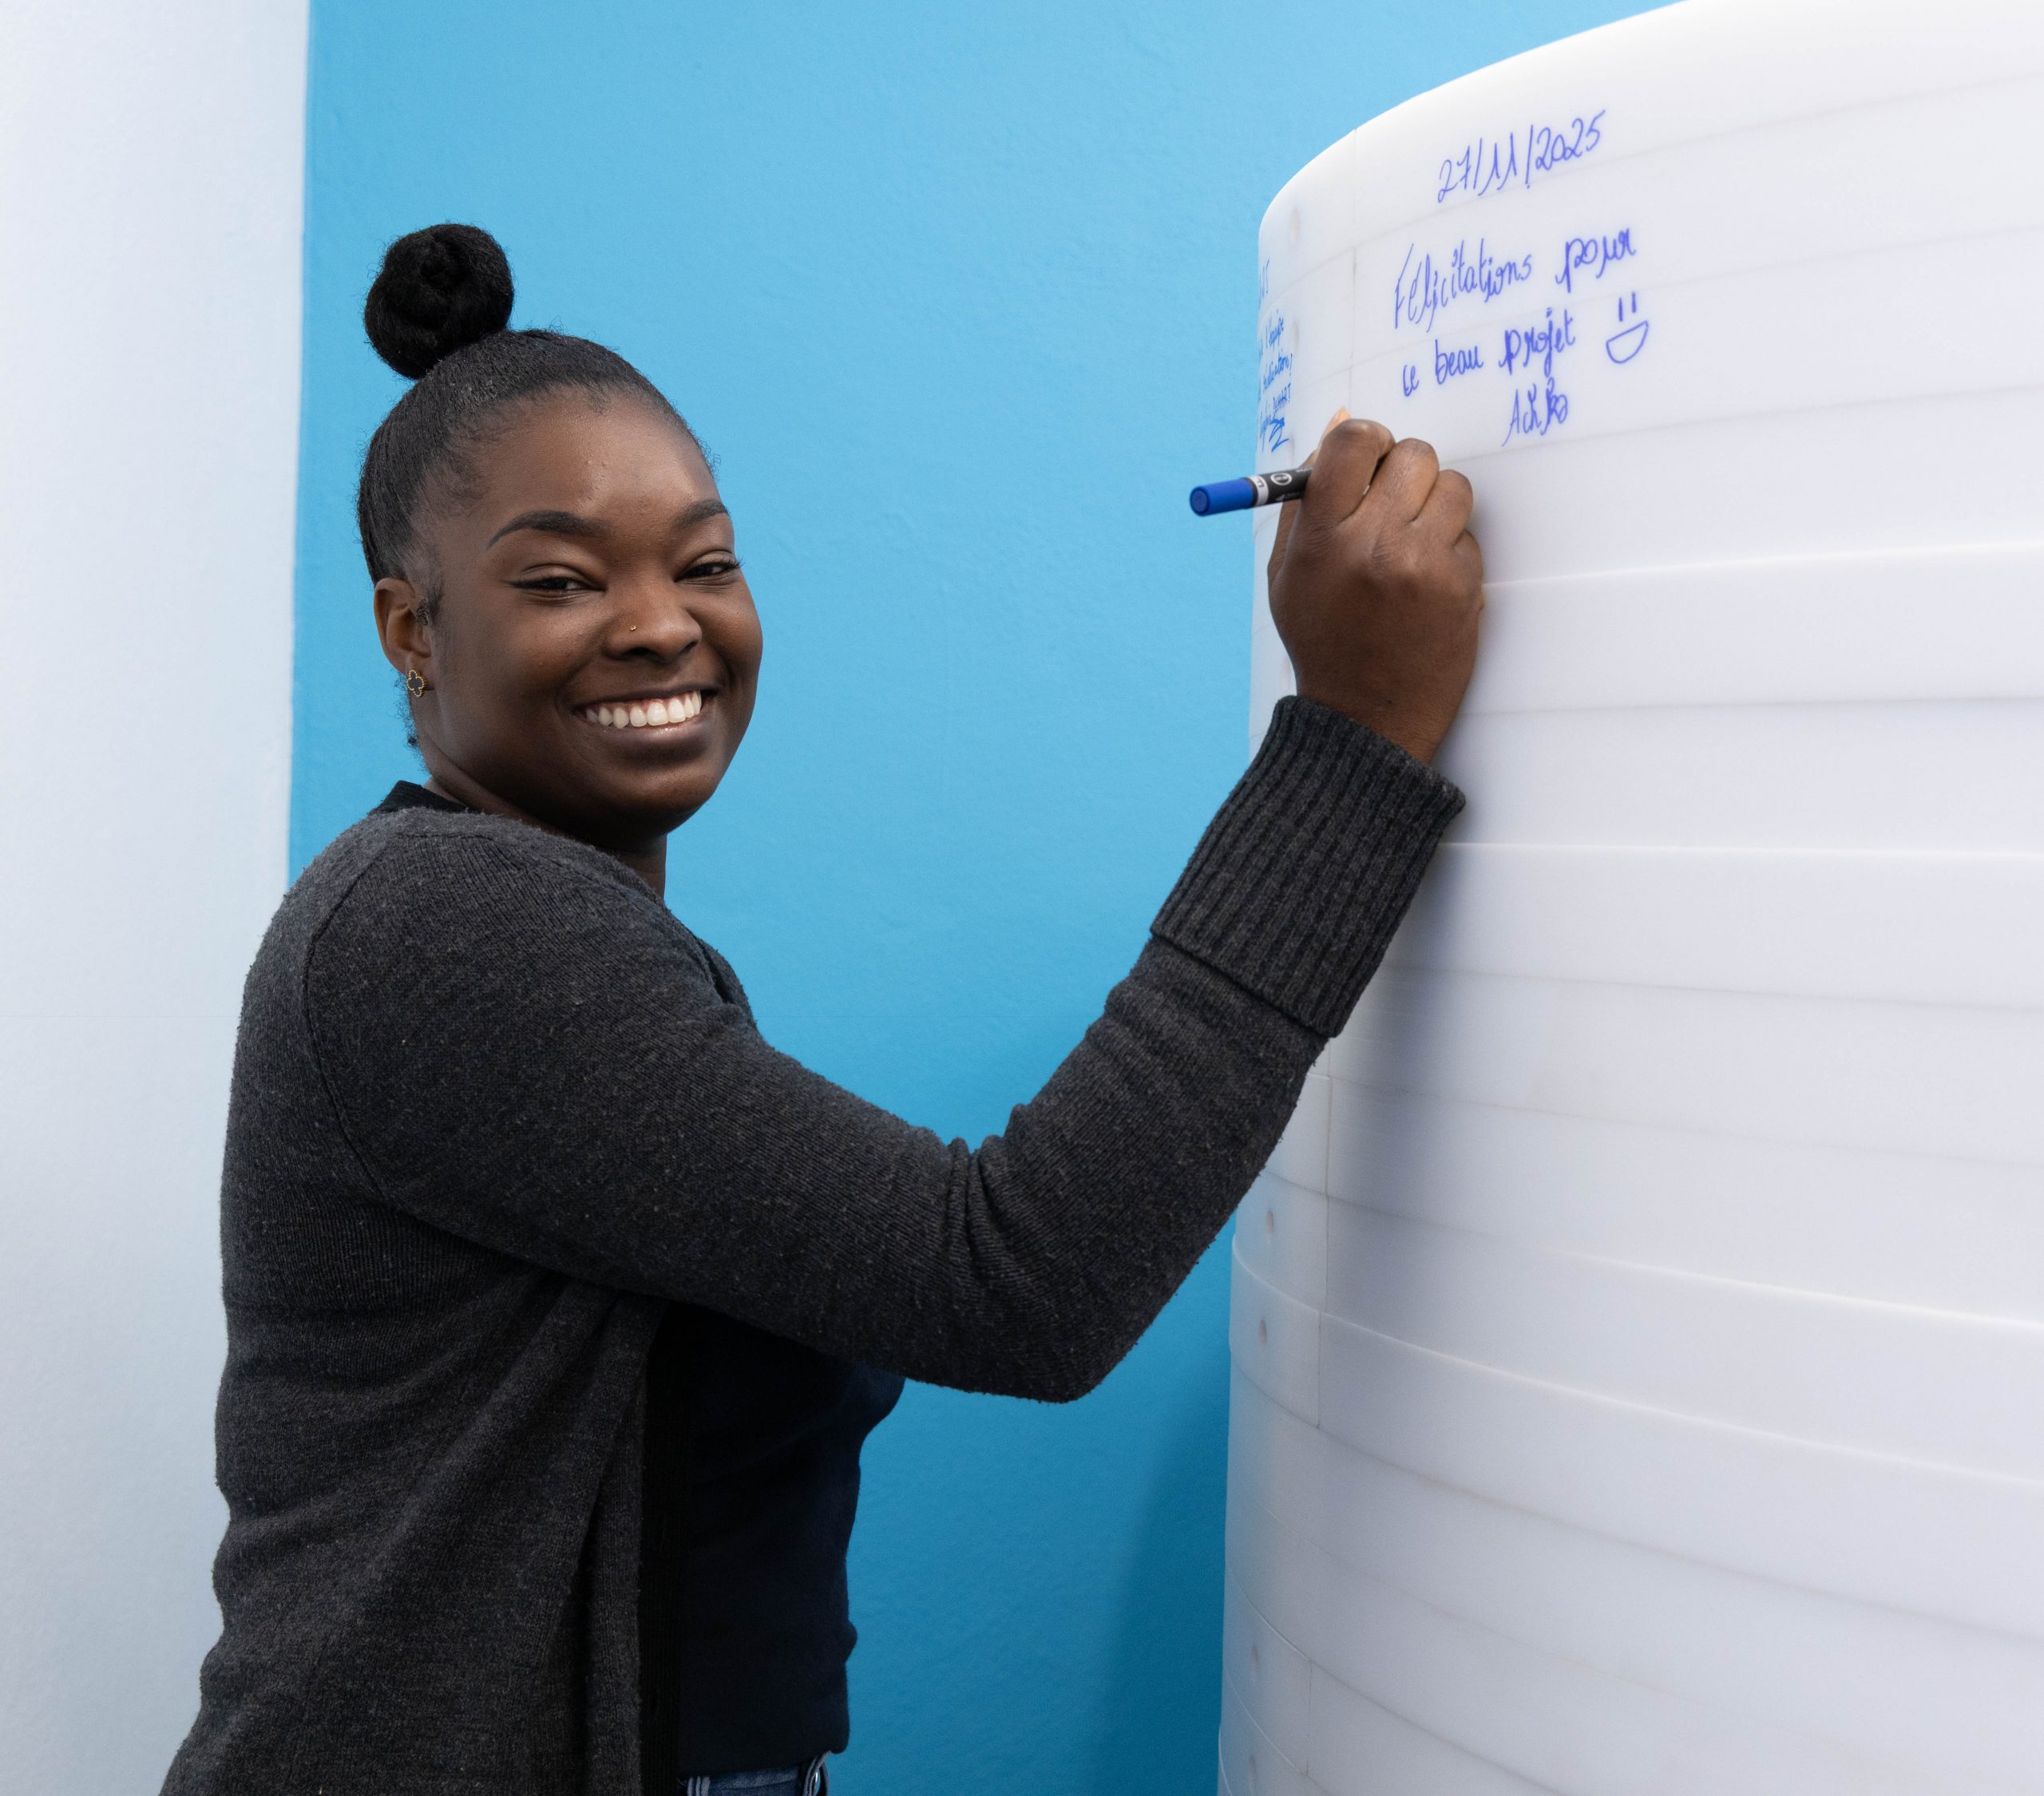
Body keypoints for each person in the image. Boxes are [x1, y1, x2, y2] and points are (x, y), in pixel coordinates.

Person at [160, 223, 1483, 1796]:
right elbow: (1015, 1279)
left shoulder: (543, 922)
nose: (661, 623)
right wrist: (1348, 743)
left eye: (704, 563)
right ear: (410, 630)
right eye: (562, 579)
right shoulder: (444, 926)